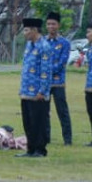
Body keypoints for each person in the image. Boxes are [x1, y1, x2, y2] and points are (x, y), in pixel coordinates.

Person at [18, 17, 52, 158]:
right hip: (26, 91)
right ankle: (30, 149)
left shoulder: (44, 46)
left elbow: (46, 71)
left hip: (38, 92)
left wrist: (42, 91)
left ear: (34, 30)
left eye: (26, 30)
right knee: (28, 122)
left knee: (39, 121)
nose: (24, 33)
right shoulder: (29, 45)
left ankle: (40, 149)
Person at [44, 12, 73, 146]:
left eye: (53, 24)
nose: (51, 26)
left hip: (58, 82)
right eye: (49, 24)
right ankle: (46, 137)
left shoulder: (64, 43)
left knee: (62, 111)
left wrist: (47, 71)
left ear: (58, 25)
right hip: (44, 83)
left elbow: (62, 62)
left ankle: (67, 139)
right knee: (44, 111)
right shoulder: (42, 42)